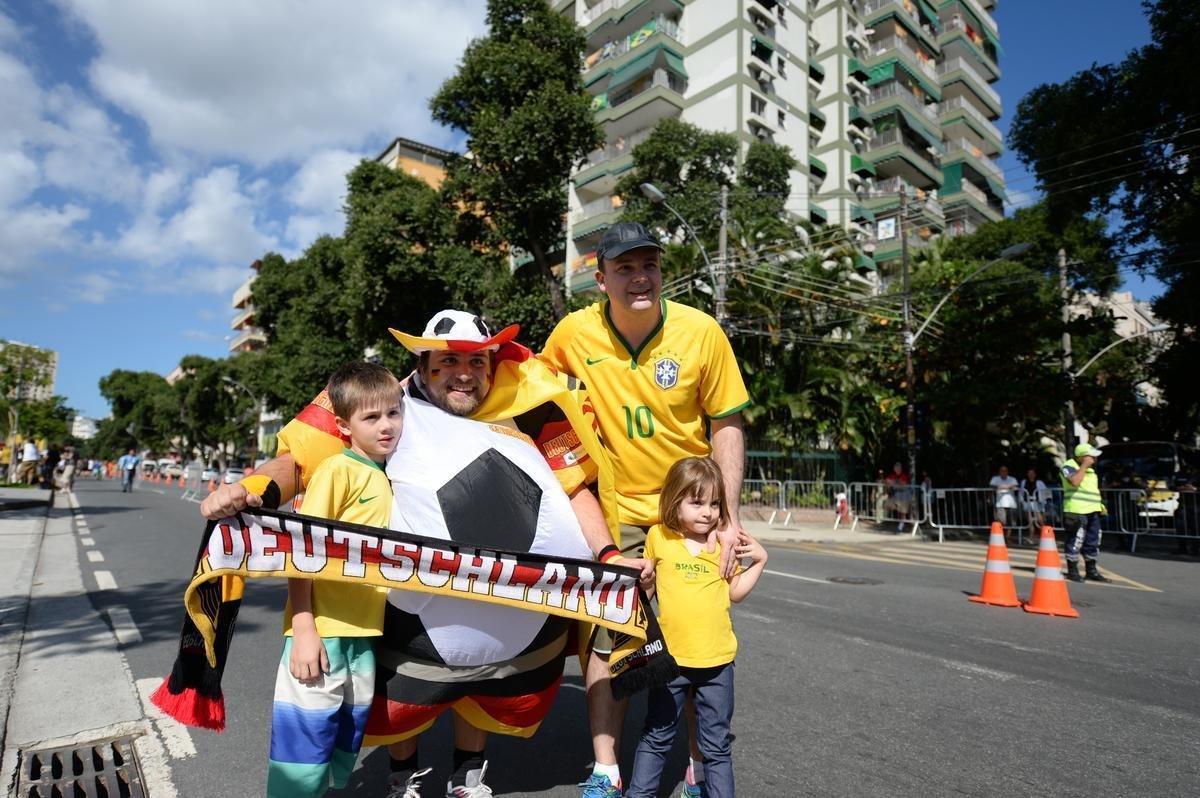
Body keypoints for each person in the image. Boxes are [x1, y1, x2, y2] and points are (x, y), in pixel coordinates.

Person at [201, 310, 648, 798]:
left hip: (516, 619)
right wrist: (249, 491)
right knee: (385, 707)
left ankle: (468, 775)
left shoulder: (531, 404)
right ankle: (402, 776)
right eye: (448, 361)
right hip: (406, 617)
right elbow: (299, 459)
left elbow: (576, 486)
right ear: (423, 364)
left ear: (492, 363)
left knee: (481, 688)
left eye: (476, 361)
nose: (464, 373)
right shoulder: (385, 405)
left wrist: (608, 555)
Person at [540, 221, 750, 797]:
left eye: (649, 265)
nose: (640, 278)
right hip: (618, 513)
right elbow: (531, 392)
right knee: (608, 639)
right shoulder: (572, 334)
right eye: (625, 268)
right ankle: (606, 769)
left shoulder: (701, 332)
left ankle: (694, 768)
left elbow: (726, 424)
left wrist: (729, 519)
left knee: (695, 637)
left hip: (690, 511)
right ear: (601, 278)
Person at [267, 362, 401, 797]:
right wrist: (303, 626)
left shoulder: (393, 472)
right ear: (344, 426)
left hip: (366, 633)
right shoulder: (337, 470)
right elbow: (301, 551)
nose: (386, 425)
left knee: (341, 741)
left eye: (393, 413)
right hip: (322, 633)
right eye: (371, 417)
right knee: (301, 754)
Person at [626, 457, 766, 798]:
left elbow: (735, 592)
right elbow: (648, 593)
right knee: (657, 735)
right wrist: (645, 582)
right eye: (698, 503)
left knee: (716, 745)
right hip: (670, 661)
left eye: (715, 504)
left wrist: (760, 561)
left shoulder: (723, 544)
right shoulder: (659, 537)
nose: (708, 513)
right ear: (675, 501)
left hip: (717, 663)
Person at [1061, 442, 1111, 583]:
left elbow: (1091, 491)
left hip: (1093, 511)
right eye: (1091, 457)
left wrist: (1100, 506)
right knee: (1075, 540)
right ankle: (1073, 571)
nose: (1094, 459)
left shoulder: (1091, 472)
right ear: (1083, 457)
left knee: (1093, 541)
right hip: (1076, 510)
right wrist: (1083, 465)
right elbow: (1075, 482)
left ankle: (1091, 571)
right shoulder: (1069, 466)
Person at [989, 465, 1019, 539]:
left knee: (1011, 521)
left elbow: (1016, 486)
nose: (1003, 472)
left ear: (1007, 472)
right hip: (1000, 503)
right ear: (999, 472)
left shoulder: (1012, 479)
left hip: (1011, 503)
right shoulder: (995, 478)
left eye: (1005, 470)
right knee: (1001, 521)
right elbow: (992, 486)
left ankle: (1008, 537)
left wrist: (1002, 486)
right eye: (1002, 470)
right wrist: (1007, 486)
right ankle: (1001, 536)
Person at [1021, 468, 1048, 544]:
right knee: (1030, 521)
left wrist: (1043, 501)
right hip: (1027, 503)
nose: (1031, 475)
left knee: (1040, 520)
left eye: (1032, 473)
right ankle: (1031, 536)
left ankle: (1045, 535)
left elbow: (1045, 492)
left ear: (1035, 474)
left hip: (1037, 503)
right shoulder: (1024, 482)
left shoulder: (1039, 482)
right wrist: (1022, 501)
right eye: (1029, 473)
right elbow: (1022, 492)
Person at [883, 462, 911, 533]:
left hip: (904, 495)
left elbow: (903, 484)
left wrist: (893, 483)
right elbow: (886, 481)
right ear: (894, 469)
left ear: (901, 469)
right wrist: (894, 483)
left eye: (899, 468)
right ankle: (900, 523)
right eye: (896, 468)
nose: (898, 469)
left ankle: (900, 527)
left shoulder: (904, 476)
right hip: (895, 496)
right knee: (887, 505)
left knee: (903, 512)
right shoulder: (892, 475)